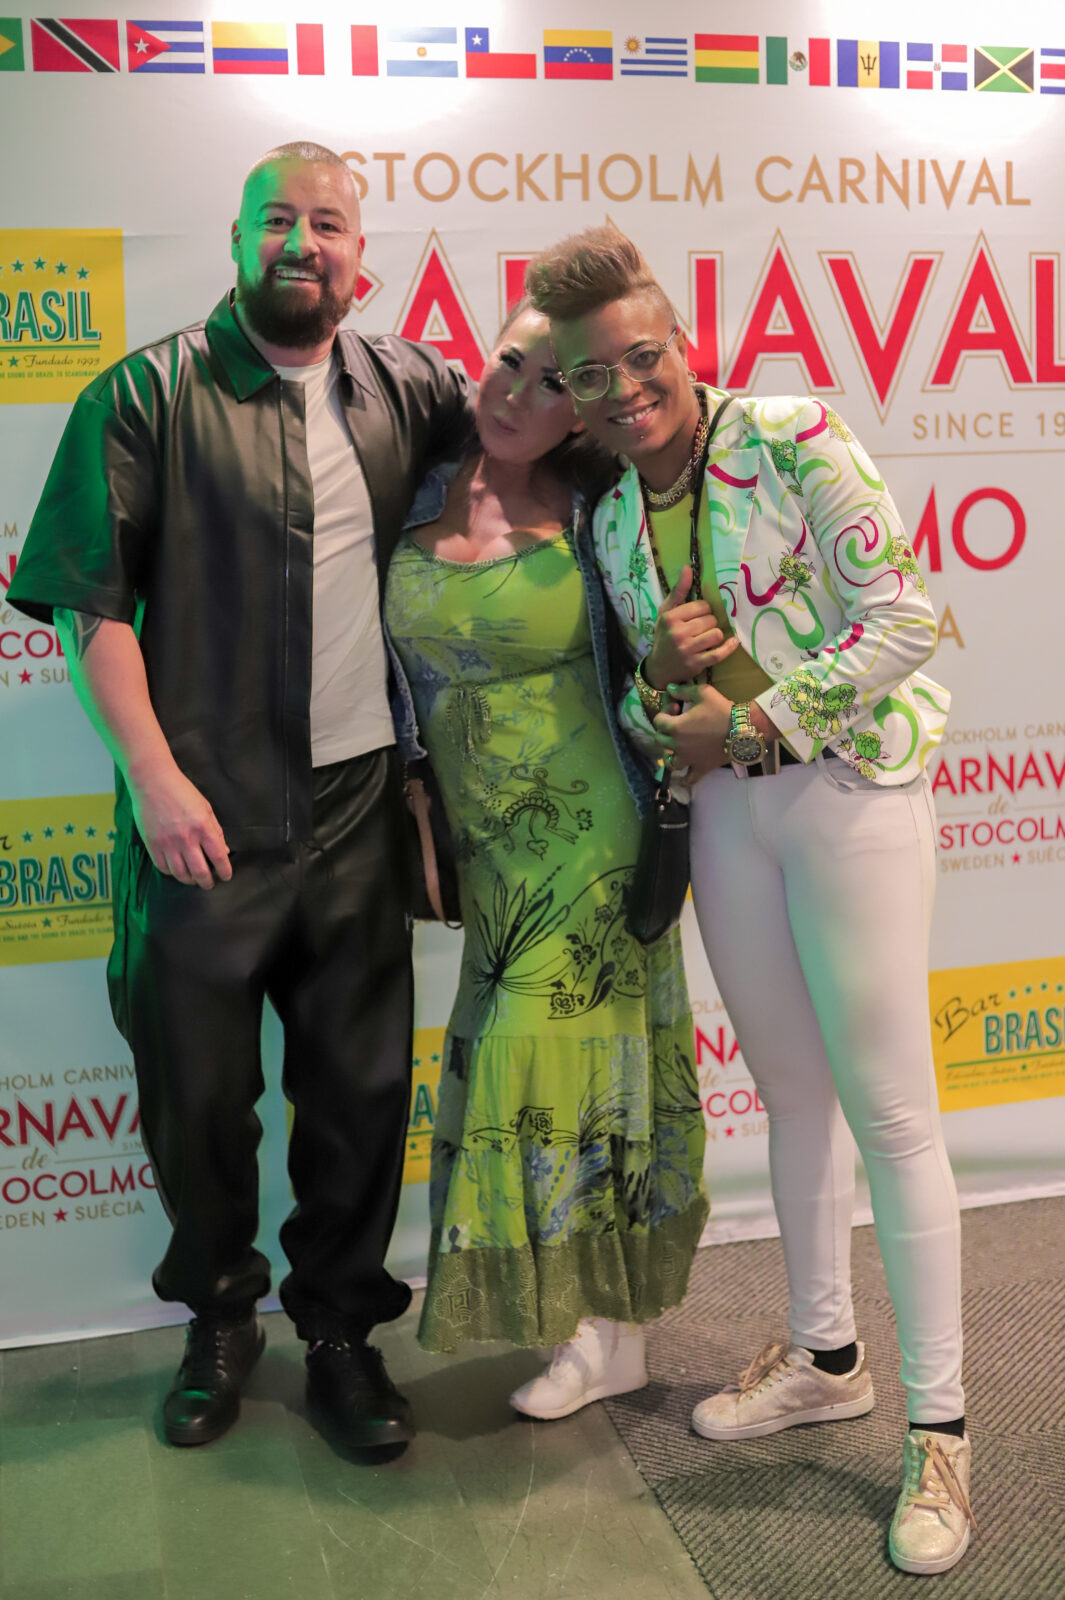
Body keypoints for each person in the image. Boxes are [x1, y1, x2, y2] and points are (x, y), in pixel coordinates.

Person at [8, 141, 472, 1452]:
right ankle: (219, 1320)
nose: (300, 243)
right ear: (236, 239)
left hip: (359, 810)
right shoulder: (143, 394)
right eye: (277, 219)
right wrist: (154, 781)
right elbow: (91, 606)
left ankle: (340, 1337)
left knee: (360, 1097)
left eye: (327, 224)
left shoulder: (411, 386)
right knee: (197, 1096)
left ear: (361, 257)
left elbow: (533, 443)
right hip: (198, 819)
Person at [528, 228, 974, 1573]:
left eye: (641, 358)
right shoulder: (611, 516)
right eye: (592, 376)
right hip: (726, 815)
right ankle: (826, 1356)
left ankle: (941, 1430)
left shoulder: (791, 437)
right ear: (572, 394)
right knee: (790, 1097)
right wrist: (660, 688)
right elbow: (637, 708)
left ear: (682, 344)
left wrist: (761, 718)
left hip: (846, 794)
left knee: (892, 1111)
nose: (624, 391)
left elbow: (906, 614)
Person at [384, 300, 711, 1417]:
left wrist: (677, 677)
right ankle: (610, 1337)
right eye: (511, 363)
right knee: (547, 1067)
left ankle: (594, 1330)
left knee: (571, 1068)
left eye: (557, 382)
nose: (520, 395)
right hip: (487, 855)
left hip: (590, 842)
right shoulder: (407, 487)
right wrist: (415, 798)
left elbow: (671, 655)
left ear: (584, 409)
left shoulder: (602, 510)